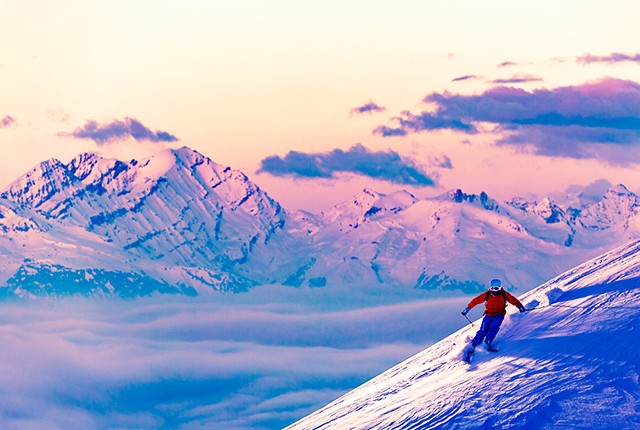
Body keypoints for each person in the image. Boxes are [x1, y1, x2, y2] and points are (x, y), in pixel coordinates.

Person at [461, 278, 526, 351]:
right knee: (483, 329)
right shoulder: (488, 294)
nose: (494, 290)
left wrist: (519, 305)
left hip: (499, 314)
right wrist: (468, 308)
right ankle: (474, 343)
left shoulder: (504, 294)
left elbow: (512, 299)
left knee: (494, 327)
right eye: (492, 288)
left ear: (500, 288)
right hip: (489, 314)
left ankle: (487, 341)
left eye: (496, 288)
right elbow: (477, 300)